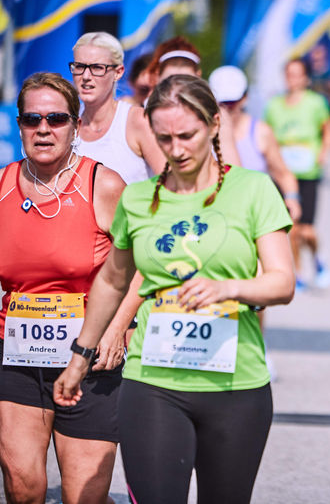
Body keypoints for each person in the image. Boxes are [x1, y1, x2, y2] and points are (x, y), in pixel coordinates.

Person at [53, 75, 295, 503]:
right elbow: (113, 278)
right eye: (164, 138)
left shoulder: (252, 190)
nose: (177, 148)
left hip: (235, 385)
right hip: (153, 381)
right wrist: (80, 356)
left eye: (187, 135)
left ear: (214, 125)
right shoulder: (139, 198)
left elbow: (282, 282)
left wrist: (228, 288)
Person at [0, 72, 127, 503]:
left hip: (90, 359)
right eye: (32, 119)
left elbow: (142, 266)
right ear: (19, 126)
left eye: (56, 118)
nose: (43, 128)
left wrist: (117, 330)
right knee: (22, 487)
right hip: (16, 354)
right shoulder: (2, 186)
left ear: (75, 125)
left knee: (83, 496)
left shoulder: (103, 184)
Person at [265, 58, 330, 291]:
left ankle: (317, 257)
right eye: (289, 74)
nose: (293, 79)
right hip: (284, 172)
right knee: (292, 227)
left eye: (297, 74)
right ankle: (300, 272)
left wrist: (323, 152)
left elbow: (327, 129)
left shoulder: (315, 103)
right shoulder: (274, 105)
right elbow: (268, 136)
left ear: (305, 78)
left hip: (308, 171)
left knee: (307, 231)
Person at [208, 64, 302, 222]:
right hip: (215, 214)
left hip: (254, 216)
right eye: (222, 102)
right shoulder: (201, 134)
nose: (227, 108)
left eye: (233, 101)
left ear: (245, 98)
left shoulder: (260, 132)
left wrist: (292, 199)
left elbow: (283, 173)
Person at [71, 32, 164, 183]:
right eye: (79, 66)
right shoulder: (66, 121)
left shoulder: (138, 121)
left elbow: (170, 185)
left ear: (118, 72)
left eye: (97, 68)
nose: (86, 76)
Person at [145, 36, 243, 167]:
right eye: (170, 80)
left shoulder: (217, 115)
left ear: (198, 76)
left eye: (185, 81)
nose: (177, 88)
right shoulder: (137, 114)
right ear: (157, 77)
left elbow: (232, 169)